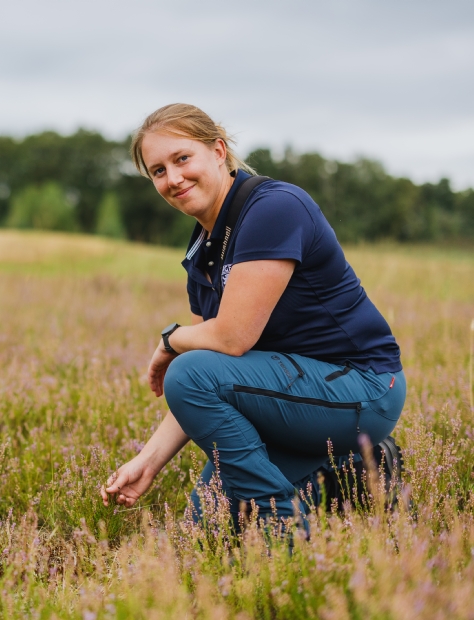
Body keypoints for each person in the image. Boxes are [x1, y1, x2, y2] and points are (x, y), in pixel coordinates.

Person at [100, 104, 405, 525]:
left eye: (182, 158)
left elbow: (230, 339)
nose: (173, 178)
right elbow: (210, 368)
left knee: (186, 372)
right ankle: (350, 468)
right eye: (158, 171)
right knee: (207, 523)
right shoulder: (201, 253)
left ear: (218, 151)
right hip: (294, 398)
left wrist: (170, 340)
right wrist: (148, 462)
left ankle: (281, 524)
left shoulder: (273, 208)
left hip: (362, 389)